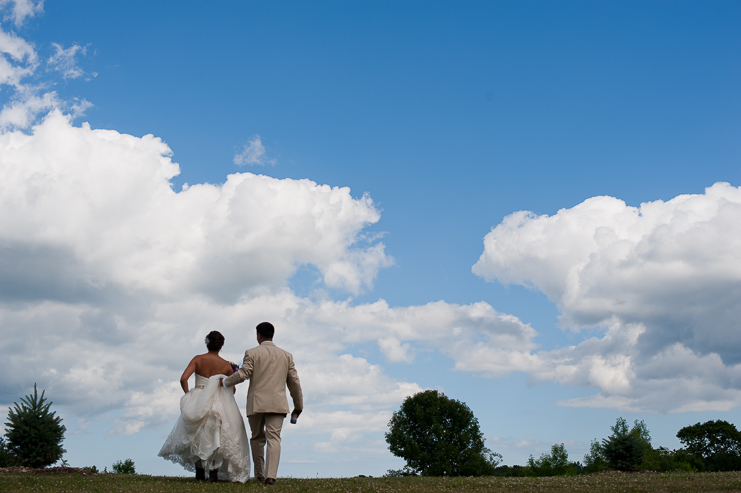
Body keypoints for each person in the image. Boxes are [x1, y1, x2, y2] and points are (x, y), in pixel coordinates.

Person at [158, 331, 251, 483]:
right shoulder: (227, 365)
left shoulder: (198, 359)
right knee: (216, 434)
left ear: (207, 343)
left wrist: (189, 394)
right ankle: (213, 472)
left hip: (198, 399)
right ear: (221, 346)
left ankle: (199, 471)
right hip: (219, 402)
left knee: (197, 435)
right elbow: (232, 390)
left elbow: (183, 378)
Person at [222, 322, 303, 486]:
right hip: (278, 403)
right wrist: (298, 405)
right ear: (273, 334)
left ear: (258, 335)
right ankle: (271, 476)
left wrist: (225, 382)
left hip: (256, 403)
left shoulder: (252, 353)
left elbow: (243, 374)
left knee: (257, 438)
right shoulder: (286, 355)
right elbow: (294, 382)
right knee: (274, 438)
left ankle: (259, 474)